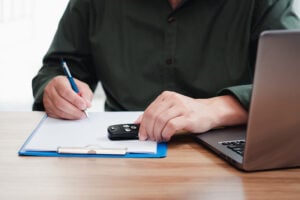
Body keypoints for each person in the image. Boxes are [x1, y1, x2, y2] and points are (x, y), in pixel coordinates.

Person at [32, 0, 300, 142]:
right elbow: (58, 66)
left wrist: (215, 109)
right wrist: (53, 89)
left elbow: (293, 83)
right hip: (120, 151)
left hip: (228, 151)